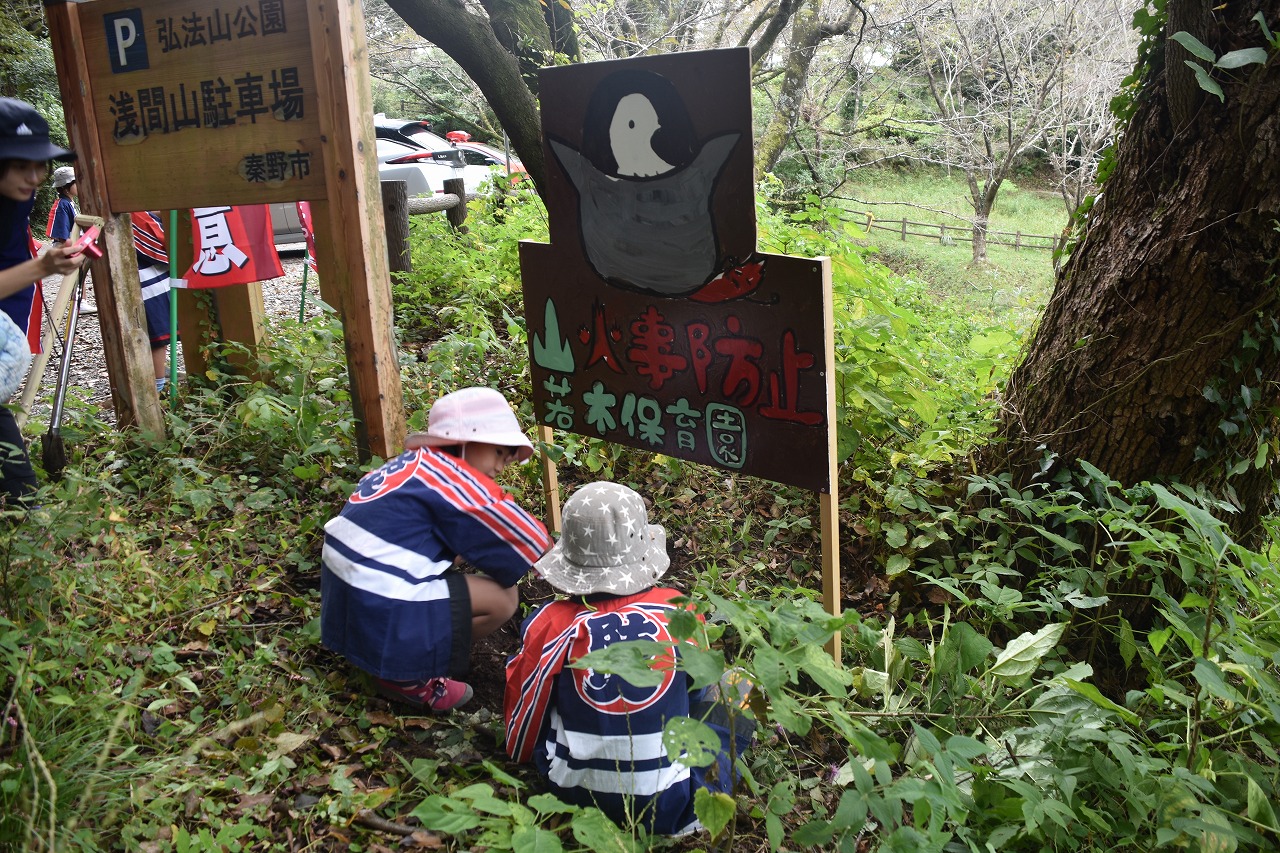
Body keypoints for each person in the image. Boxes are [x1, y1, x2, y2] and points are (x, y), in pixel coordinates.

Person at [504, 482, 755, 836]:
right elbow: (697, 687)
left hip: (569, 796)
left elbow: (522, 721)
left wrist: (523, 754)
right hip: (677, 807)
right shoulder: (678, 610)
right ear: (644, 553)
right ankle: (707, 791)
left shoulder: (549, 623)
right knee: (737, 683)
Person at [321, 386, 552, 712]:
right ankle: (409, 675)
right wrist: (554, 554)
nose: (502, 467)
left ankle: (380, 652)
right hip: (379, 596)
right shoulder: (452, 474)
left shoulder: (412, 466)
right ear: (465, 439)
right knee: (504, 599)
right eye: (499, 452)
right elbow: (524, 533)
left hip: (344, 600)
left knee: (452, 560)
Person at [0, 97, 85, 503]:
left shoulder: (18, 196)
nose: (35, 176)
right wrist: (44, 267)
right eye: (21, 164)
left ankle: (23, 510)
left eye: (41, 164)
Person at [131, 211, 173, 393]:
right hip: (149, 286)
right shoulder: (134, 214)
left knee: (149, 339)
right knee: (156, 340)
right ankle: (157, 387)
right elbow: (161, 242)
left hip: (141, 284)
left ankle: (154, 383)